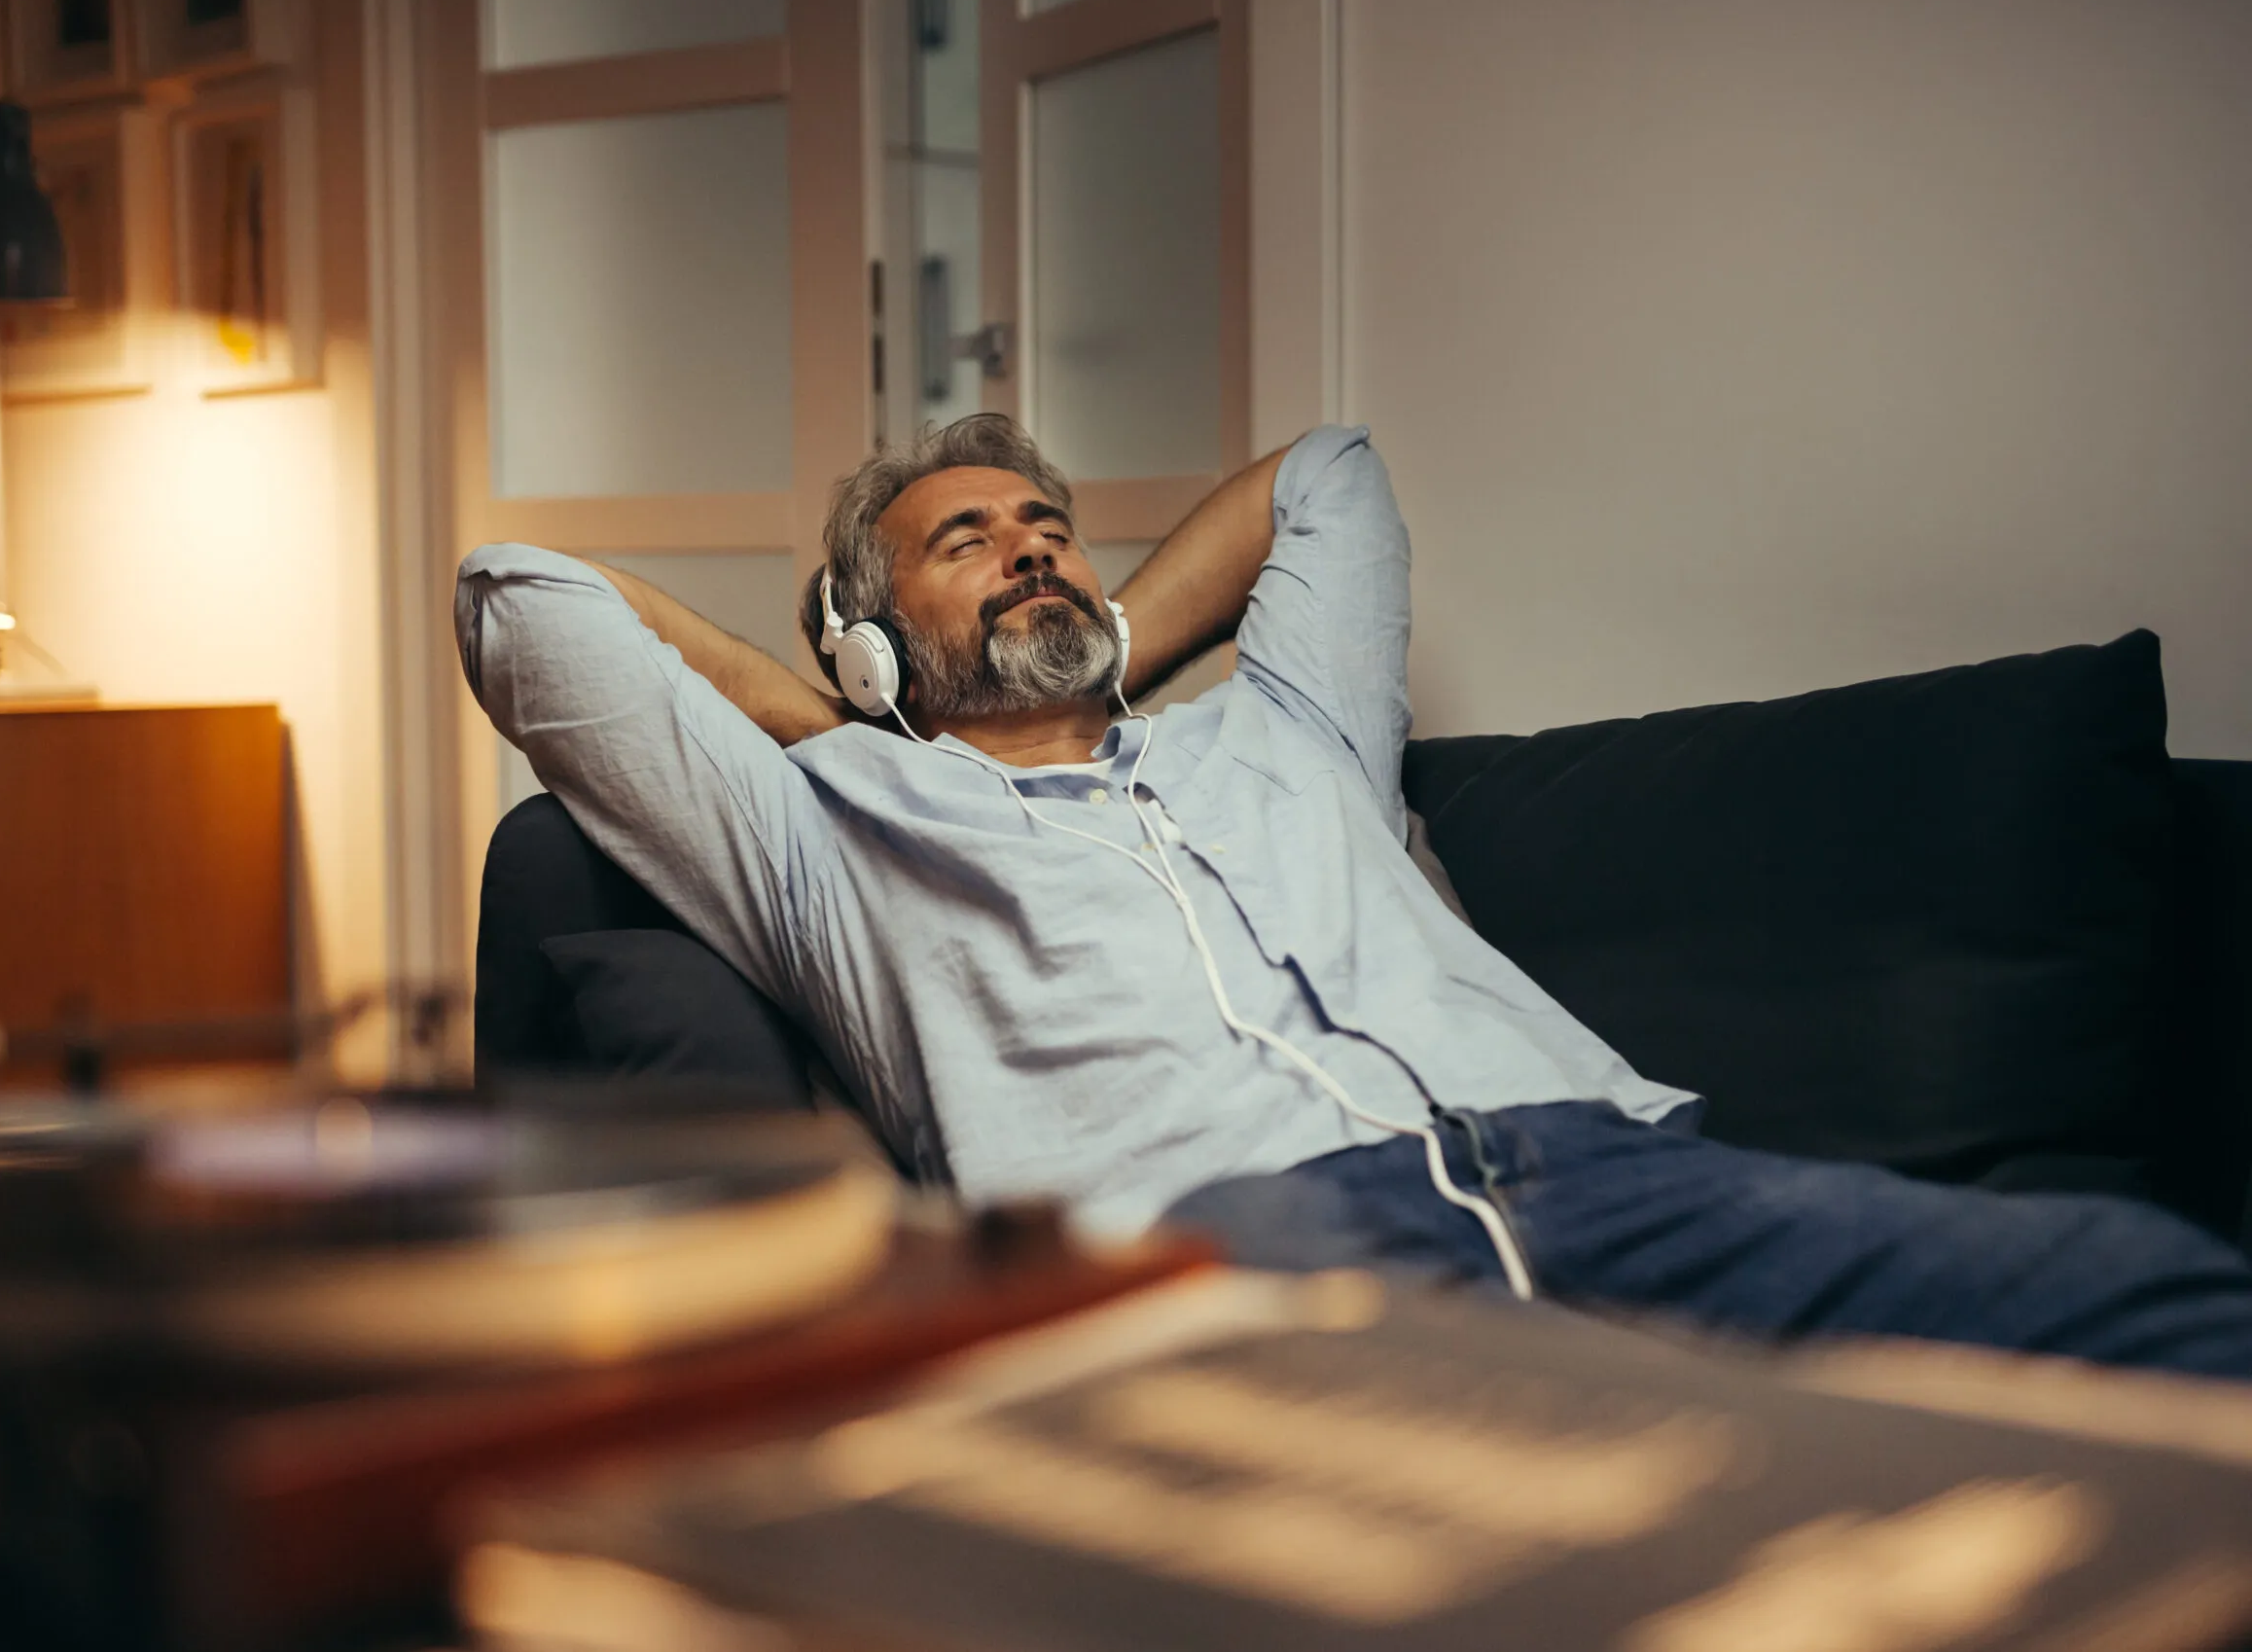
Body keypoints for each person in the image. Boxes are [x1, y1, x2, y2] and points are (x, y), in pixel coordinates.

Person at [456, 415, 2252, 1379]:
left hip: (1618, 1168)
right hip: (1219, 1252)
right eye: (968, 541)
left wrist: (1085, 643)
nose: (1031, 546)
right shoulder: (826, 830)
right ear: (867, 629)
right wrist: (866, 718)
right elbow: (515, 595)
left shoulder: (1290, 735)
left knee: (2154, 1294)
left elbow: (1331, 472)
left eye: (1049, 529)